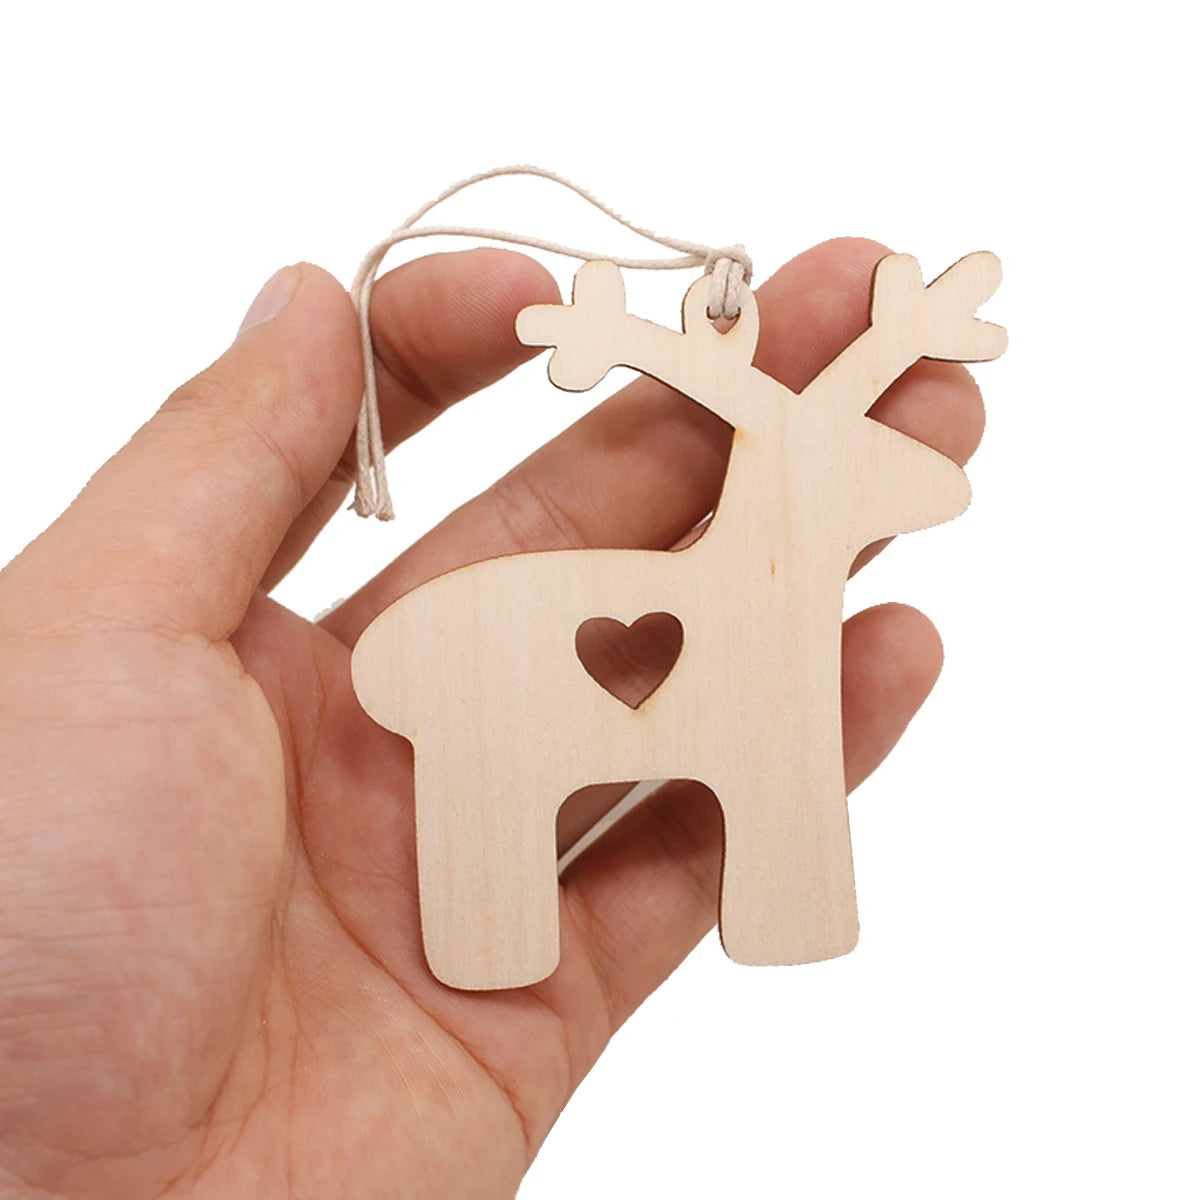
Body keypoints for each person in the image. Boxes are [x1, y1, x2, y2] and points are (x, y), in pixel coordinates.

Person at [0, 238, 983, 1198]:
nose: (910, 482)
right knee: (625, 754)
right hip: (494, 646)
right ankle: (491, 929)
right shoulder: (537, 630)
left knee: (774, 747)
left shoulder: (778, 629)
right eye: (862, 466)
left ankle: (738, 917)